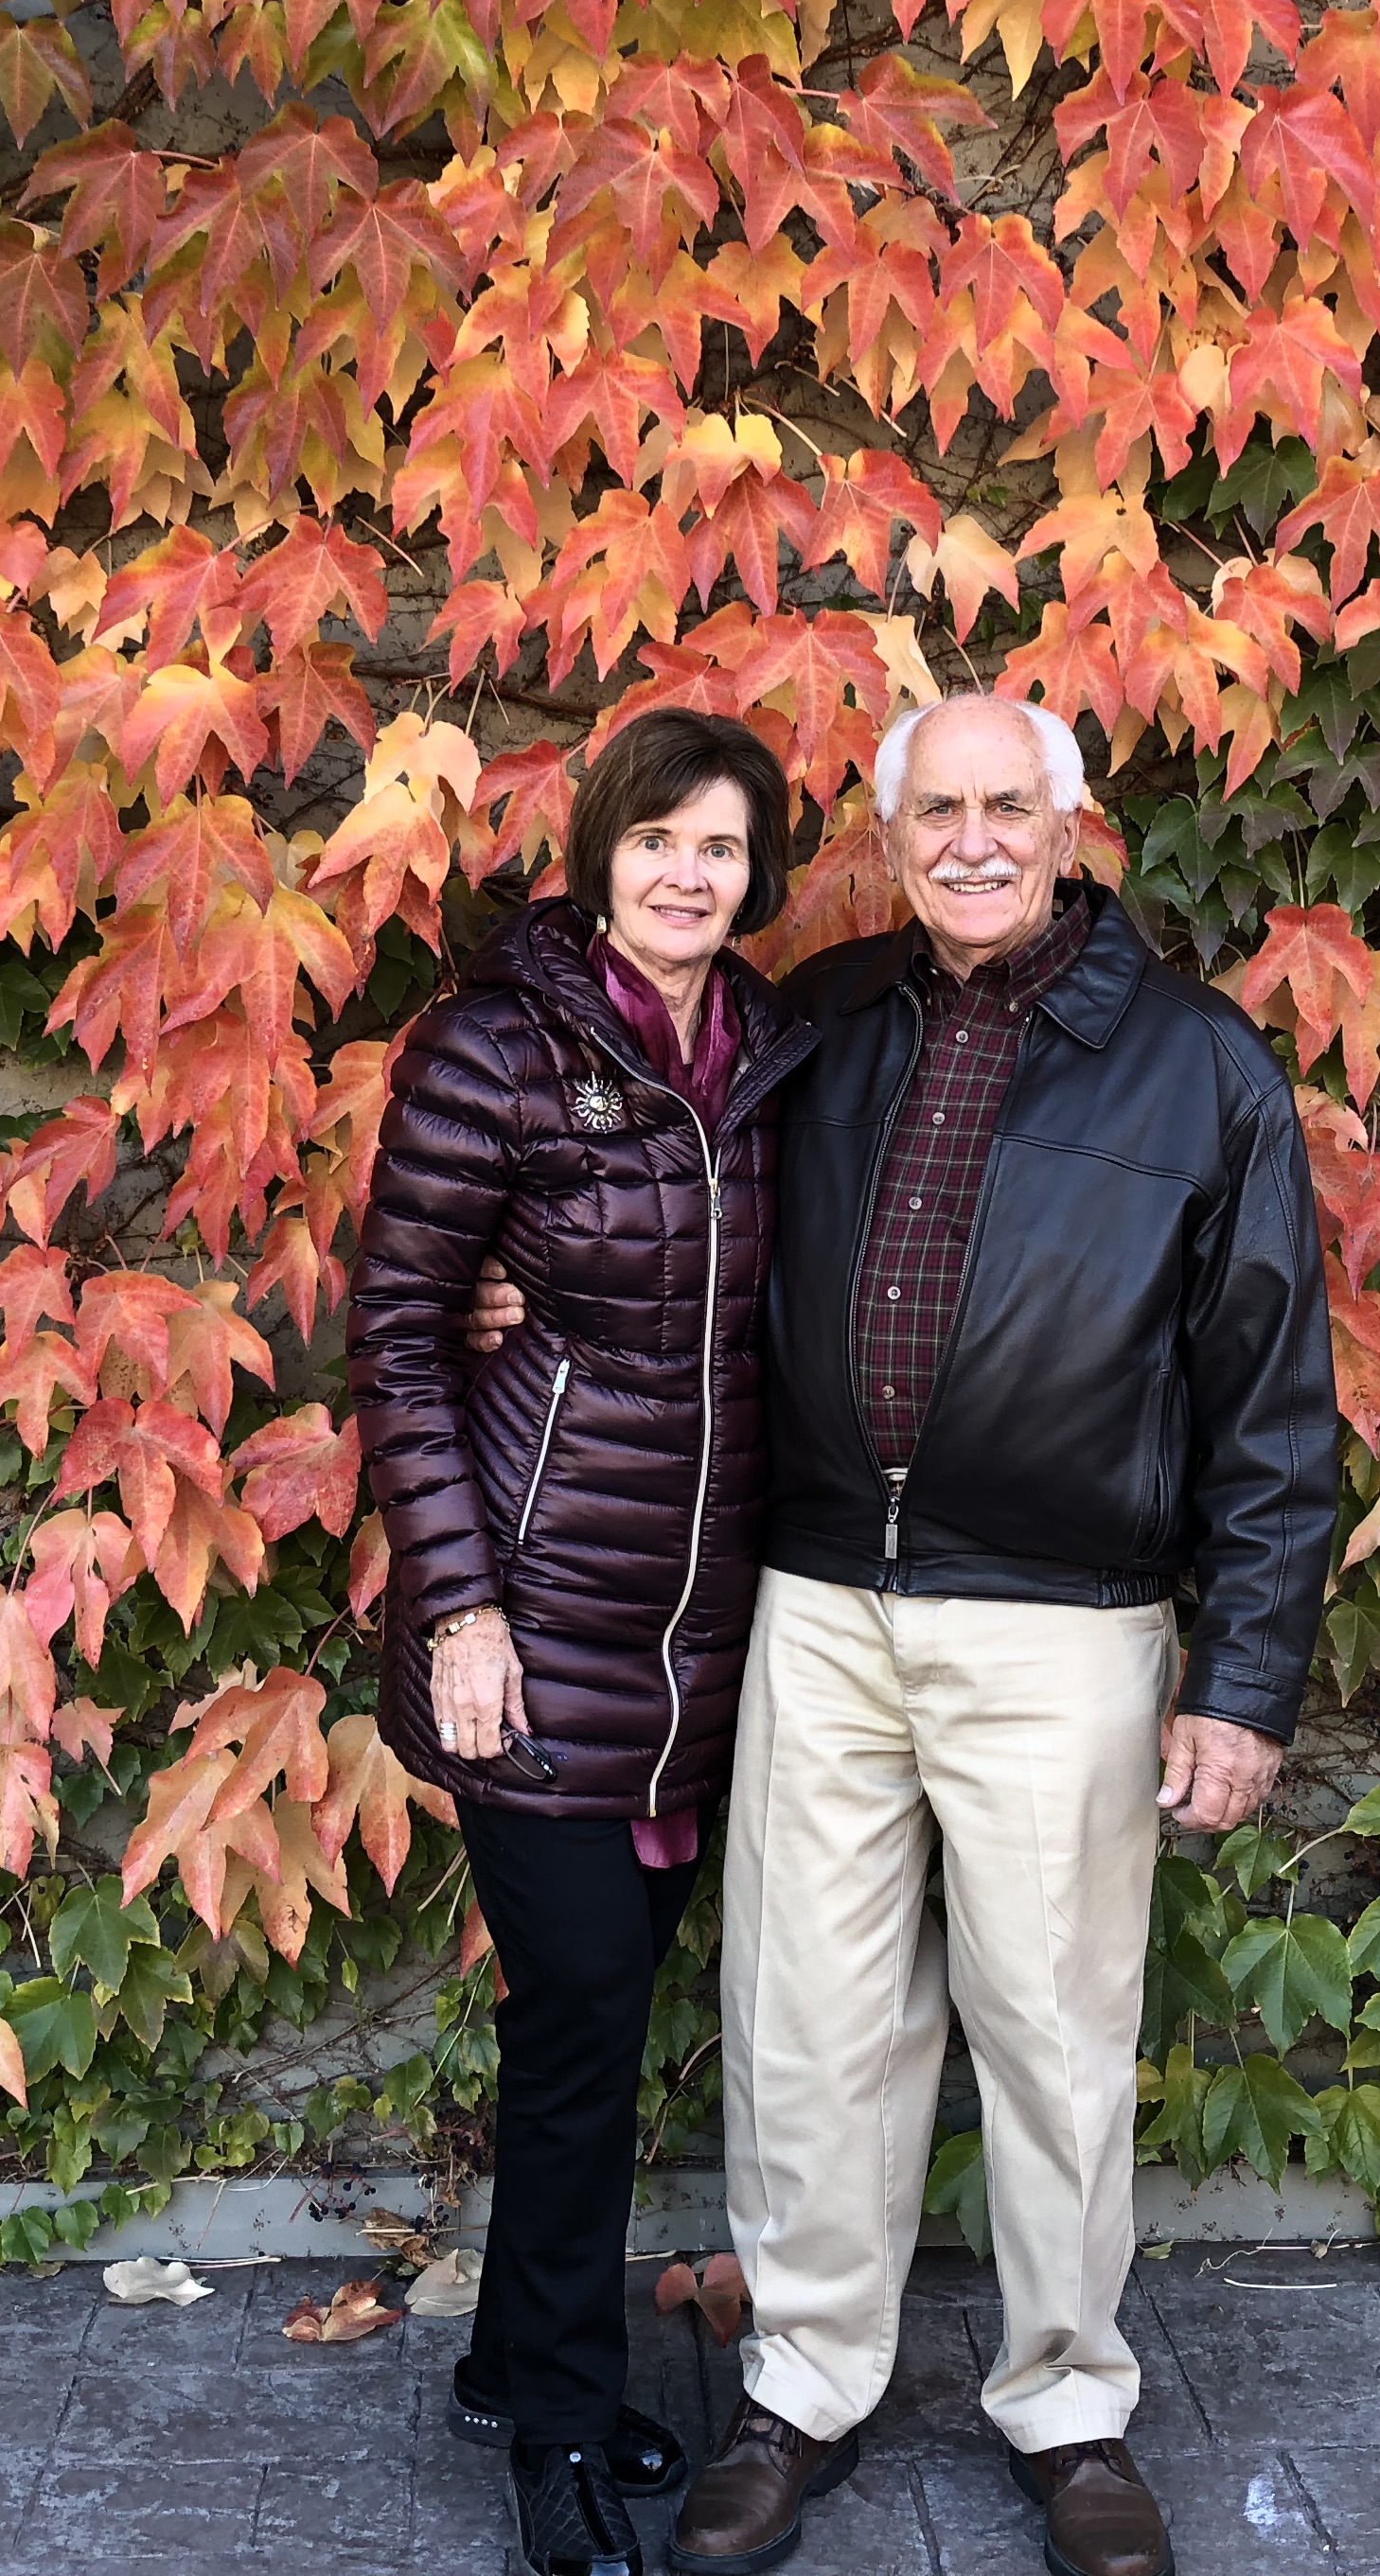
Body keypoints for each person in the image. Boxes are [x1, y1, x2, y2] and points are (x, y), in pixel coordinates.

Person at [471, 694, 1338, 2576]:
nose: (968, 841)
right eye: (933, 809)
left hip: (1065, 1622)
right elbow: (656, 1201)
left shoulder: (1197, 1069)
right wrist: (526, 1310)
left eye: (1003, 808)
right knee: (808, 2023)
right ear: (890, 832)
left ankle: (1070, 2405)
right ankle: (804, 2383)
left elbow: (1271, 1402)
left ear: (1067, 819)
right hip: (817, 1605)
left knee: (1053, 2029)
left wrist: (1246, 1682)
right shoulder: (822, 1023)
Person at [346, 706, 819, 2576]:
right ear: (600, 851)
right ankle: (553, 2427)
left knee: (600, 2029)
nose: (689, 874)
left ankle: (504, 2362)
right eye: (657, 840)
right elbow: (397, 1323)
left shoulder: (773, 1054)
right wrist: (457, 1603)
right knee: (583, 2033)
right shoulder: (497, 1049)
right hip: (534, 1621)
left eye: (722, 847)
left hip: (702, 1642)